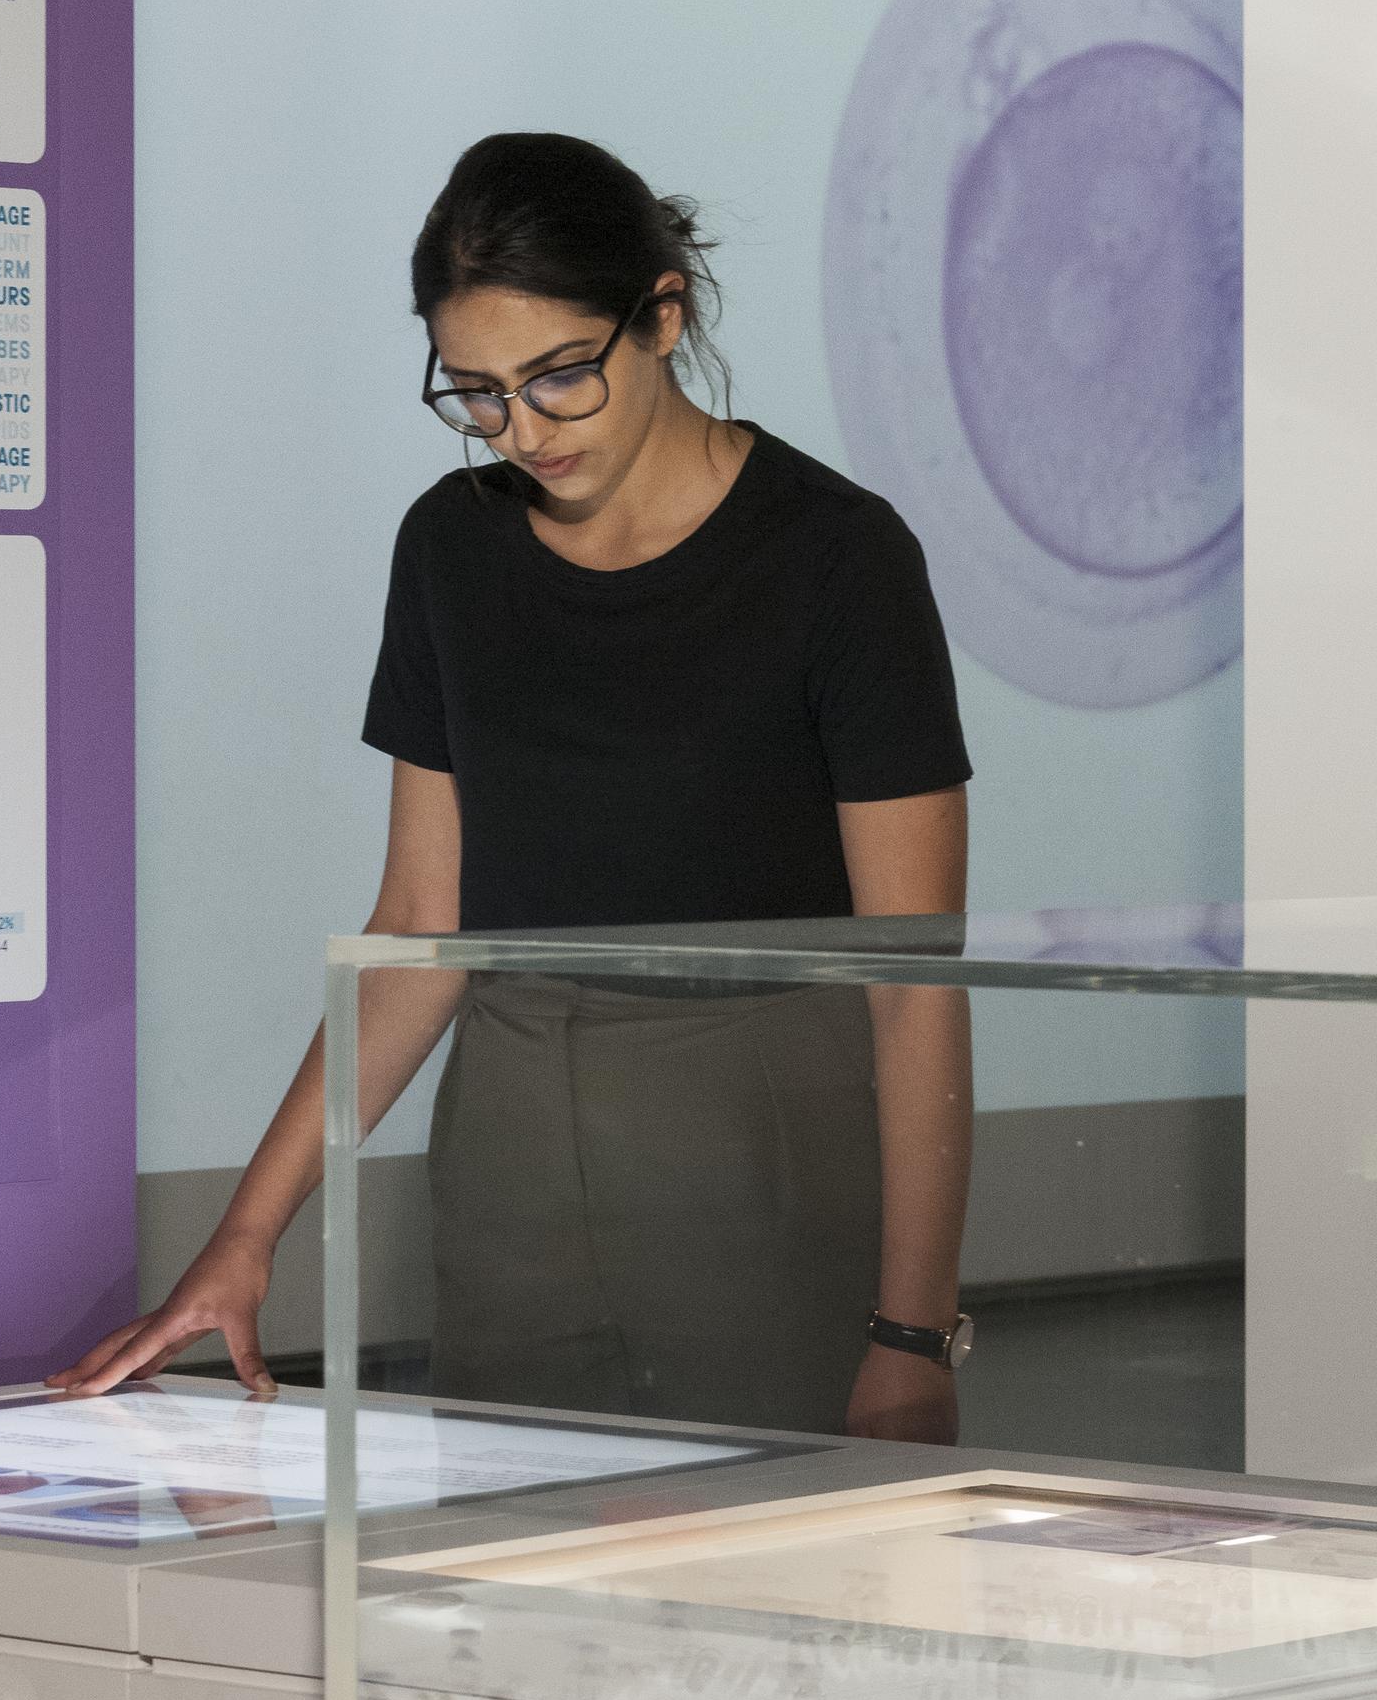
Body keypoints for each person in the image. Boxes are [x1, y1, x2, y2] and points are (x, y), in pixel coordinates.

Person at [56, 133, 973, 1439]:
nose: (523, 430)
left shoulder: (837, 562)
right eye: (479, 392)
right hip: (510, 1136)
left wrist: (912, 1329)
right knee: (499, 1568)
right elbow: (423, 931)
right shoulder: (452, 546)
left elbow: (917, 985)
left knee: (760, 1588)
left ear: (661, 314)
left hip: (763, 1124)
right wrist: (246, 1237)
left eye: (559, 381)